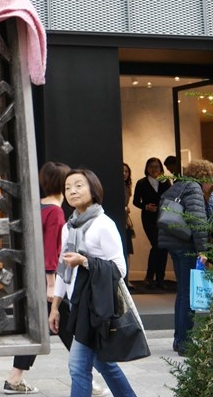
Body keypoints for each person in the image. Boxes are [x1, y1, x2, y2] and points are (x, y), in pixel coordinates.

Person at [49, 168, 137, 397]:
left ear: (93, 189)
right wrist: (56, 306)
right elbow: (62, 268)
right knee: (103, 362)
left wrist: (84, 261)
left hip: (95, 306)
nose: (72, 191)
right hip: (77, 305)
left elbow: (119, 268)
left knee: (77, 366)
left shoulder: (103, 224)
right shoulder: (69, 227)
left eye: (79, 185)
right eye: (67, 187)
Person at [1, 161, 69, 394]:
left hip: (32, 275)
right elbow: (51, 250)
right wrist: (51, 284)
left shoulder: (36, 207)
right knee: (67, 326)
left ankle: (14, 378)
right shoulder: (56, 212)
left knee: (38, 326)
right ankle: (86, 377)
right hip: (51, 278)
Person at [158, 159, 213, 356]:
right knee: (188, 294)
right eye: (211, 180)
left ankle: (179, 338)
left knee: (182, 292)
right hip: (186, 246)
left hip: (173, 244)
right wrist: (203, 250)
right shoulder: (194, 189)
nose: (211, 185)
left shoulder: (177, 187)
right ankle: (185, 342)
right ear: (205, 176)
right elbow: (198, 221)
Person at [131, 157, 171, 290]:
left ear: (161, 168)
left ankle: (160, 278)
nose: (154, 169)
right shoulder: (141, 182)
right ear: (147, 168)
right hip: (149, 218)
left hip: (164, 217)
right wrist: (146, 206)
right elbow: (136, 201)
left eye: (157, 167)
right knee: (156, 244)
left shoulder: (166, 182)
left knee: (163, 247)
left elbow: (171, 198)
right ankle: (149, 277)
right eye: (151, 167)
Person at [122, 163, 135, 290]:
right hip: (119, 220)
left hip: (125, 221)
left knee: (128, 251)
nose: (124, 173)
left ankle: (128, 278)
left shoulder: (127, 187)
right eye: (122, 171)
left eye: (126, 171)